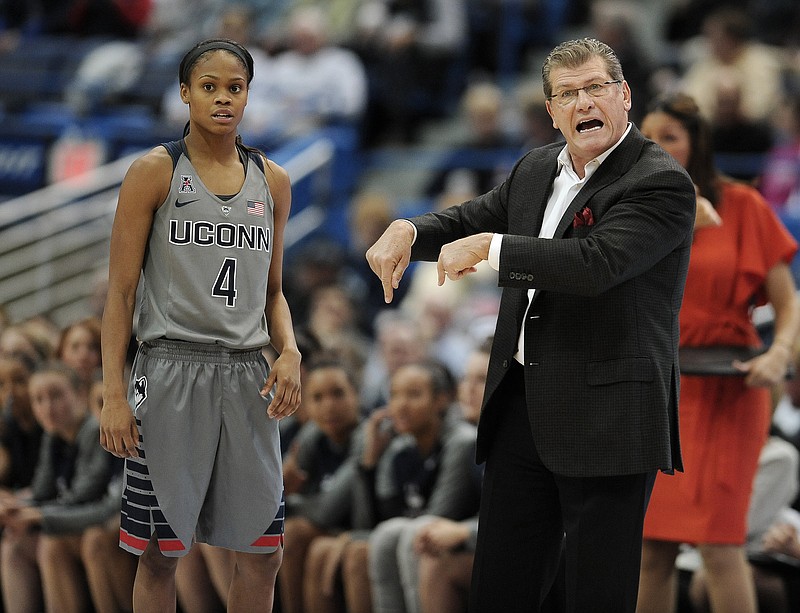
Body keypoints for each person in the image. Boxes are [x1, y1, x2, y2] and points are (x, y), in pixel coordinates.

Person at [366, 37, 697, 613]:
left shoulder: (659, 181)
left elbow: (596, 264)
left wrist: (492, 247)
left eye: (595, 87)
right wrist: (410, 231)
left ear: (624, 96)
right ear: (551, 111)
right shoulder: (538, 166)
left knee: (595, 595)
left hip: (607, 417)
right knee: (501, 589)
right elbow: (469, 218)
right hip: (521, 403)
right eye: (567, 93)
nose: (583, 102)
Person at [99, 38, 302, 613]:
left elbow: (274, 293)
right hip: (169, 369)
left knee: (265, 552)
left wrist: (289, 350)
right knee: (161, 553)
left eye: (234, 88)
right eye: (208, 87)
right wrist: (113, 391)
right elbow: (120, 292)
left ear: (247, 95)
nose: (222, 99)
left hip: (247, 375)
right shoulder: (154, 171)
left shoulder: (274, 179)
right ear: (184, 93)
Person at [637, 92, 800, 613]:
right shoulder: (633, 212)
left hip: (732, 390)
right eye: (648, 137)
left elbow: (787, 300)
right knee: (650, 550)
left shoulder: (742, 204)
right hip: (662, 392)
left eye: (671, 137)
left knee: (719, 546)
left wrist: (780, 356)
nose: (657, 147)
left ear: (696, 144)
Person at [0, 360, 115, 613]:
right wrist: (15, 506)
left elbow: (81, 499)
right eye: (38, 399)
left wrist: (36, 514)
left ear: (79, 394)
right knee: (13, 544)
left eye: (56, 396)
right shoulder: (52, 437)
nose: (47, 408)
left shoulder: (93, 432)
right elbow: (42, 493)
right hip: (83, 523)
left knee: (53, 543)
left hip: (108, 526)